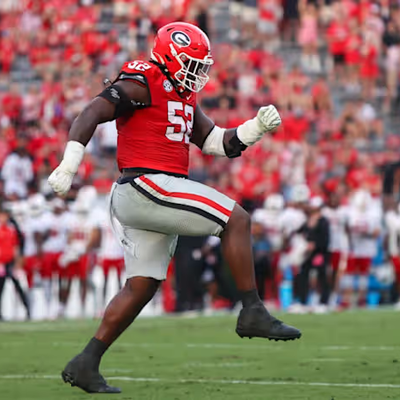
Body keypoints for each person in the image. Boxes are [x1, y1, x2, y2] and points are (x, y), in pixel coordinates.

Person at [48, 22, 301, 394]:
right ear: (169, 57)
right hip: (146, 185)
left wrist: (255, 128)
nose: (197, 73)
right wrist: (69, 165)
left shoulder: (182, 94)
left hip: (151, 193)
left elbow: (217, 143)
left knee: (141, 285)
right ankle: (252, 310)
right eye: (191, 64)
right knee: (236, 219)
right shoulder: (144, 80)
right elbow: (90, 113)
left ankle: (86, 363)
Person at [297, 197, 331, 314]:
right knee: (303, 276)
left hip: (320, 253)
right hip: (308, 254)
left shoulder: (323, 221)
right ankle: (303, 302)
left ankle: (323, 303)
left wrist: (315, 245)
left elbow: (326, 239)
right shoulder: (308, 220)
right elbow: (300, 232)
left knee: (322, 277)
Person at [0, 205, 30, 321]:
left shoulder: (11, 230)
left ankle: (27, 310)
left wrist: (17, 262)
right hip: (1, 263)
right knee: (1, 288)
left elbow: (16, 246)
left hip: (10, 262)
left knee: (18, 286)